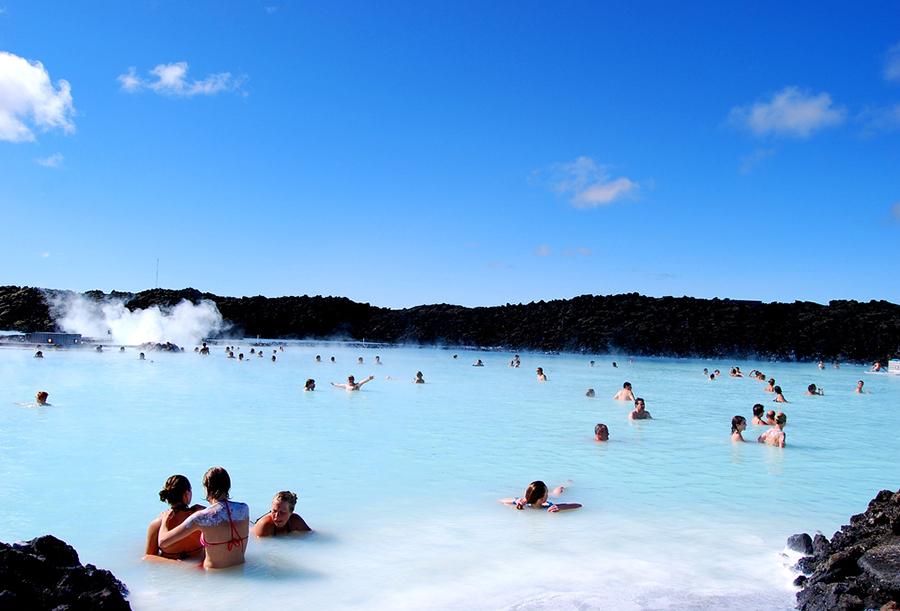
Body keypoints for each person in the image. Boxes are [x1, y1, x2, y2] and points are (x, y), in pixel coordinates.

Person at [158, 466, 249, 569]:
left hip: (212, 576)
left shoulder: (201, 518)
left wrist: (165, 520)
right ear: (228, 486)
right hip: (241, 570)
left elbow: (163, 542)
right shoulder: (244, 509)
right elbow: (223, 514)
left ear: (207, 488)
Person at [145, 475, 205, 560]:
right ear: (186, 494)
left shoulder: (156, 525)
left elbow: (149, 558)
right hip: (198, 568)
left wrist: (177, 563)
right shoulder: (201, 519)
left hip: (169, 570)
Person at [500, 481, 581, 512]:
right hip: (542, 499)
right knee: (555, 494)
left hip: (539, 499)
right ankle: (562, 486)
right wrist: (516, 501)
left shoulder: (549, 506)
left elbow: (578, 505)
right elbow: (501, 501)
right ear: (543, 499)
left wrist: (560, 507)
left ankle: (564, 485)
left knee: (557, 492)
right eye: (546, 493)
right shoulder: (524, 504)